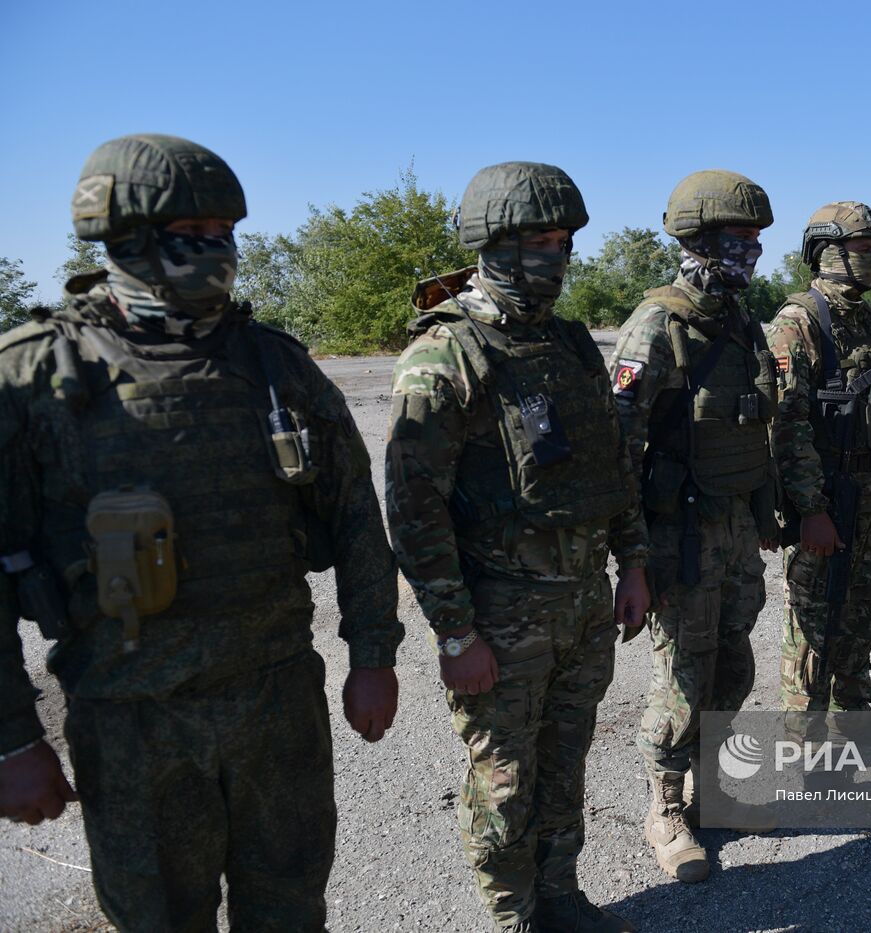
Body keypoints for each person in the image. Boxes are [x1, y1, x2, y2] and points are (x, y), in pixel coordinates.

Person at [0, 134, 403, 930]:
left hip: (275, 703)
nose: (219, 251)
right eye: (196, 234)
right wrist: (13, 741)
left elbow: (355, 513)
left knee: (289, 907)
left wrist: (373, 654)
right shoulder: (35, 377)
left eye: (226, 233)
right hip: (130, 720)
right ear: (126, 238)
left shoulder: (274, 366)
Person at [384, 162, 649, 933]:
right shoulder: (447, 353)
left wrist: (632, 563)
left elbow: (612, 465)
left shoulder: (568, 343)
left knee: (565, 765)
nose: (555, 253)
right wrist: (456, 631)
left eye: (564, 239)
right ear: (490, 243)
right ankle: (514, 919)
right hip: (499, 617)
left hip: (582, 604)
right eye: (538, 237)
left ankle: (562, 897)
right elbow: (413, 508)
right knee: (504, 785)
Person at [609, 169, 778, 883]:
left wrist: (767, 506)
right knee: (681, 677)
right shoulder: (658, 323)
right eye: (739, 237)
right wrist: (631, 560)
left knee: (734, 664)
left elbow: (761, 417)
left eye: (755, 239)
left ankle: (716, 790)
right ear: (700, 240)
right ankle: (664, 808)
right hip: (678, 531)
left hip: (735, 523)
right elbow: (618, 451)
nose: (751, 250)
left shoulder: (740, 319)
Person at [766, 202, 871, 711]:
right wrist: (811, 510)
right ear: (827, 252)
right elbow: (786, 425)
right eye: (862, 250)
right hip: (828, 495)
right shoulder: (799, 321)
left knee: (862, 611)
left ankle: (851, 713)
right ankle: (804, 742)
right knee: (813, 621)